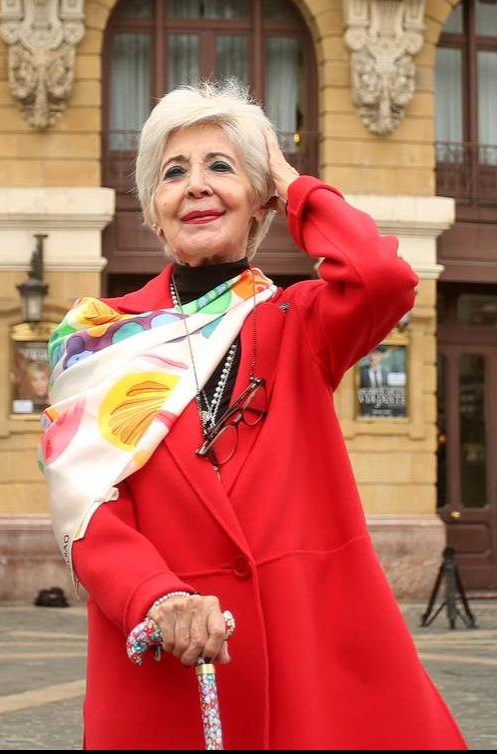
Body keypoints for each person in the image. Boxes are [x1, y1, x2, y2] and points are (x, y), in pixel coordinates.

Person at [39, 81, 466, 749]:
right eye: (174, 172)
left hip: (306, 658)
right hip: (170, 664)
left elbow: (382, 276)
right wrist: (156, 595)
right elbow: (89, 512)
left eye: (222, 167)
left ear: (259, 201)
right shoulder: (95, 338)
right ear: (155, 212)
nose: (197, 185)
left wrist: (293, 183)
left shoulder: (300, 322)